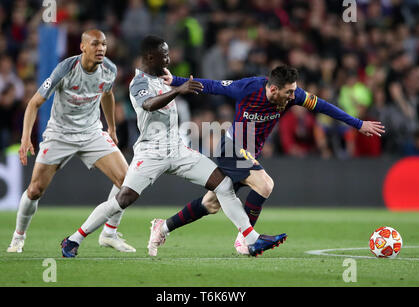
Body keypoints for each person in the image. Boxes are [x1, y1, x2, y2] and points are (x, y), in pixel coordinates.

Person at [60, 35, 287, 258]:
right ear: (151, 56)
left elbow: (195, 85)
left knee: (224, 185)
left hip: (178, 150)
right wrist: (178, 90)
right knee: (123, 199)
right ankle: (74, 239)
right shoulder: (138, 82)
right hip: (151, 152)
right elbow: (148, 105)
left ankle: (251, 239)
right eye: (165, 54)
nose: (169, 59)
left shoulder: (161, 78)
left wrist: (179, 84)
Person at [154, 64, 385, 255]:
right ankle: (246, 240)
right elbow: (213, 86)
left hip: (249, 152)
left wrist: (358, 124)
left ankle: (162, 228)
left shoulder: (293, 97)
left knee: (211, 204)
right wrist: (175, 80)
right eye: (289, 92)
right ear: (273, 89)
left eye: (294, 91)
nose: (294, 96)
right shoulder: (247, 88)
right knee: (265, 184)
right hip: (230, 147)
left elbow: (324, 107)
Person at [7, 29, 135, 254]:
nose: (101, 49)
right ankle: (18, 237)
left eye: (104, 44)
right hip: (60, 134)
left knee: (128, 182)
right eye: (95, 44)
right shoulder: (65, 69)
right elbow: (34, 103)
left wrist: (112, 127)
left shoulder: (109, 69)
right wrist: (25, 138)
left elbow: (107, 94)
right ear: (83, 47)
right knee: (35, 189)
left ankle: (109, 233)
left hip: (91, 133)